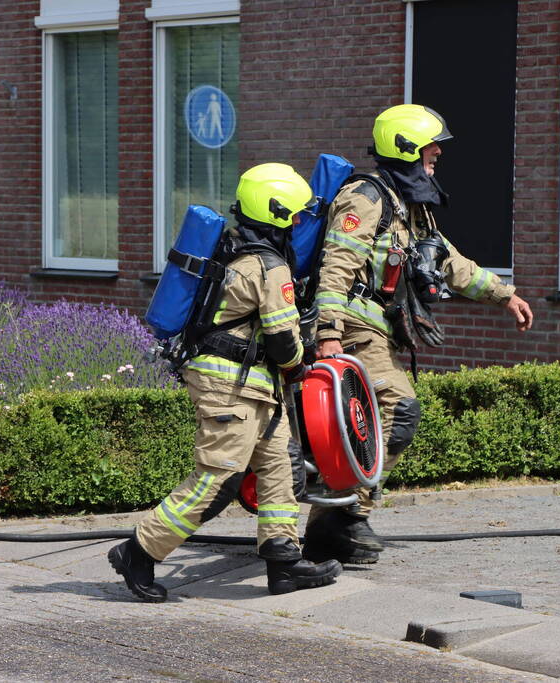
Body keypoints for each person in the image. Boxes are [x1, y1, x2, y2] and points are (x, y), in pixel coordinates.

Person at [302, 104, 534, 566]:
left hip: (379, 330)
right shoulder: (366, 199)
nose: (437, 156)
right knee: (399, 411)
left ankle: (334, 524)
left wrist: (504, 295)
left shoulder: (411, 209)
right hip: (353, 329)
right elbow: (335, 271)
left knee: (385, 420)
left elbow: (449, 262)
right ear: (407, 147)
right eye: (432, 147)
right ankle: (341, 517)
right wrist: (328, 333)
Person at [108, 163, 343, 602]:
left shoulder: (238, 254)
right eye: (293, 216)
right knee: (218, 481)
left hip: (251, 386)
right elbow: (281, 338)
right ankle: (139, 550)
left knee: (279, 469)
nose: (298, 224)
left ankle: (283, 562)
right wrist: (300, 361)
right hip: (230, 386)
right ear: (276, 214)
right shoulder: (269, 266)